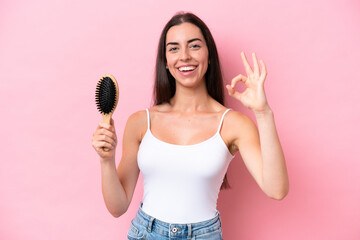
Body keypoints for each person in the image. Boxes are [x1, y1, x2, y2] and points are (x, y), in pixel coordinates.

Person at [92, 12, 289, 240]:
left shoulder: (233, 124)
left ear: (209, 55)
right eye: (174, 48)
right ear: (165, 61)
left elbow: (276, 189)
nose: (184, 56)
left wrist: (263, 113)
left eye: (194, 46)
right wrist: (106, 160)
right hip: (145, 233)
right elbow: (118, 207)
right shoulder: (140, 122)